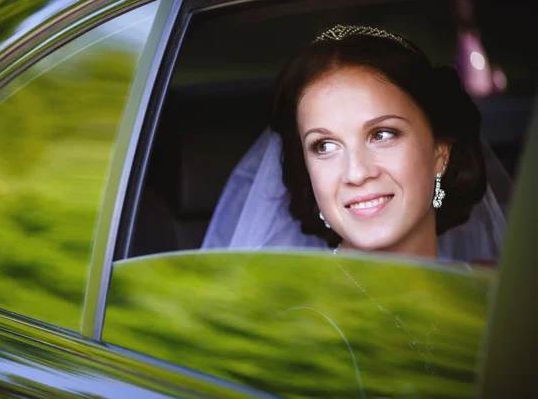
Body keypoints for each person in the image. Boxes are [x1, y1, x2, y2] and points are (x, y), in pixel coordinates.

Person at [202, 25, 509, 262]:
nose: (357, 173)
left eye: (382, 134)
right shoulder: (283, 323)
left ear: (439, 153)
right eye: (324, 146)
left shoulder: (499, 299)